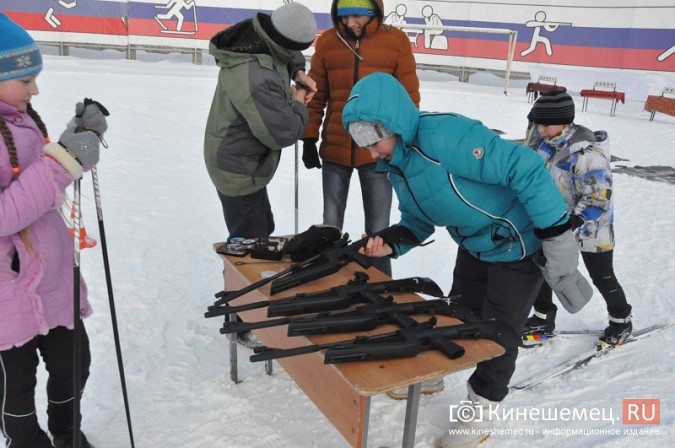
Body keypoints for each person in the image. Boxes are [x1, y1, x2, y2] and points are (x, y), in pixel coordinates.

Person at [342, 72, 592, 448]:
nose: (371, 152)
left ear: (393, 123)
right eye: (361, 141)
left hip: (520, 245)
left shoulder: (445, 136)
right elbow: (418, 219)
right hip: (475, 244)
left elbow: (524, 168)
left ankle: (482, 406)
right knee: (457, 313)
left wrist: (554, 232)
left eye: (373, 139)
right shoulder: (398, 163)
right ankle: (444, 365)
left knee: (498, 331)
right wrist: (389, 242)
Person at [0, 12, 106, 448]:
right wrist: (64, 157)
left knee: (73, 365)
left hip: (52, 279)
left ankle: (67, 431)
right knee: (15, 390)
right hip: (7, 296)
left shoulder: (20, 119)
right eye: (25, 80)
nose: (35, 89)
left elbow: (41, 179)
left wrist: (76, 140)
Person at [203, 2, 317, 348]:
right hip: (237, 167)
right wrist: (298, 103)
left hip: (247, 163)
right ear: (281, 42)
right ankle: (242, 320)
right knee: (247, 246)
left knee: (259, 232)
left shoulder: (259, 37)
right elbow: (280, 133)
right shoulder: (255, 74)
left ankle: (248, 309)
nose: (298, 55)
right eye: (295, 51)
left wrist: (297, 72)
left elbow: (284, 55)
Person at [301, 0, 420, 277]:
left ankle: (379, 282)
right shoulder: (329, 42)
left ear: (373, 13)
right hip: (336, 149)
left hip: (379, 151)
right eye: (343, 17)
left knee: (378, 227)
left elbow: (409, 98)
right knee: (329, 224)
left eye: (356, 16)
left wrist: (406, 142)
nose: (348, 23)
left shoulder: (396, 41)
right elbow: (316, 95)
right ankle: (327, 279)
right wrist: (309, 138)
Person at [522, 91, 633, 346]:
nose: (540, 128)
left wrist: (573, 223)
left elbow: (599, 200)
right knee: (544, 270)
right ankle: (542, 318)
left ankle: (621, 320)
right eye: (537, 123)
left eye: (544, 124)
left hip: (592, 229)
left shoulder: (587, 155)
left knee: (602, 275)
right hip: (553, 225)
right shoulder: (544, 144)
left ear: (564, 121)